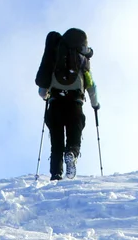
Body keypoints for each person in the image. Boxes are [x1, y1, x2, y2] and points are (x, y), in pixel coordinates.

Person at [35, 28, 100, 181]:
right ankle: (71, 153)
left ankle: (56, 174)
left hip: (56, 103)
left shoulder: (54, 60)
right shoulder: (82, 62)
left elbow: (42, 91)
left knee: (56, 142)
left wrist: (47, 96)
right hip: (75, 103)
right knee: (74, 137)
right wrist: (95, 104)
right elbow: (92, 86)